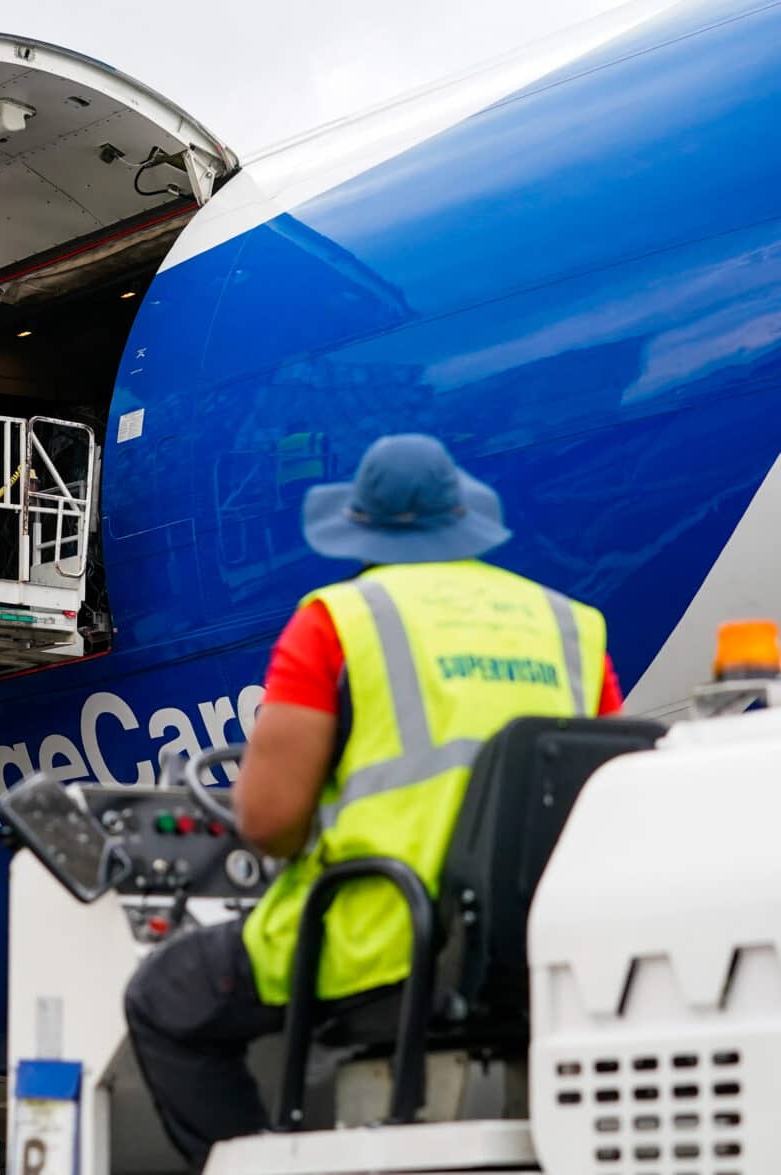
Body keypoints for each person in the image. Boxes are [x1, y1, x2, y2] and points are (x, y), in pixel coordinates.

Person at [123, 434, 622, 1171]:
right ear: (466, 524)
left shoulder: (338, 621)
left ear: (362, 530)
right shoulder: (574, 627)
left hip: (384, 938)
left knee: (166, 999)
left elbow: (268, 825)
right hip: (547, 950)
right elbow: (615, 798)